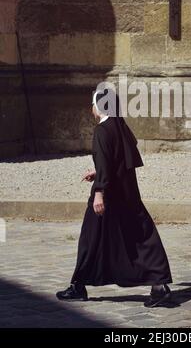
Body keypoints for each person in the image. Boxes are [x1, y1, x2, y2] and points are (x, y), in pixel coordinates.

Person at [56, 87, 172, 308]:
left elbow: (105, 160)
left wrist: (99, 191)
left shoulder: (102, 131)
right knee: (141, 235)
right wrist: (99, 173)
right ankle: (159, 285)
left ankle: (78, 286)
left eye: (93, 104)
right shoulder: (120, 126)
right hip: (126, 193)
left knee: (90, 239)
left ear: (99, 106)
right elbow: (115, 159)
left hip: (108, 195)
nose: (91, 108)